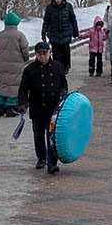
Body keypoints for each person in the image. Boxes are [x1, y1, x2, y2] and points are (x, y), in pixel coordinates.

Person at [17, 41, 68, 174]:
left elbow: (63, 84)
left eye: (45, 53)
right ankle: (41, 158)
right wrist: (22, 103)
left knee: (51, 136)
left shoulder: (58, 67)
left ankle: (52, 163)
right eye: (40, 54)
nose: (43, 57)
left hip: (53, 109)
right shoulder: (30, 70)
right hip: (37, 108)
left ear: (50, 53)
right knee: (38, 135)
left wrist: (63, 93)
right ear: (36, 55)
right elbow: (24, 89)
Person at [0, 12, 30, 115]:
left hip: (3, 65)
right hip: (16, 65)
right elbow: (25, 50)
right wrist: (25, 59)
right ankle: (10, 106)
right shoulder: (20, 35)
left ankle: (0, 105)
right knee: (15, 84)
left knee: (4, 84)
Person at [41, 0, 78, 73]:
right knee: (56, 53)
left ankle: (66, 66)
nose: (58, 0)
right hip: (54, 34)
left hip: (66, 33)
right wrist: (43, 32)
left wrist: (75, 30)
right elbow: (46, 21)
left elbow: (73, 19)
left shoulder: (68, 6)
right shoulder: (49, 8)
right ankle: (57, 67)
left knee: (66, 52)